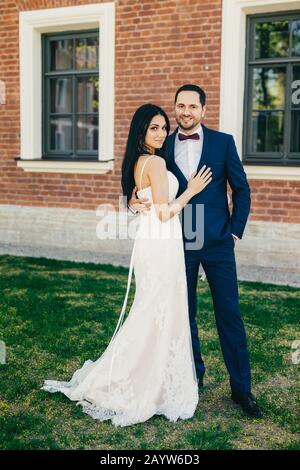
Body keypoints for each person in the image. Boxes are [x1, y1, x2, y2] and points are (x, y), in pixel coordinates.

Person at [41, 103, 212, 427]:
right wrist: (190, 190)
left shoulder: (138, 161)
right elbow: (163, 212)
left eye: (164, 127)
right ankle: (144, 381)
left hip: (153, 241)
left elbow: (140, 202)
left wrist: (135, 205)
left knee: (152, 311)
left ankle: (149, 375)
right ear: (141, 131)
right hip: (161, 243)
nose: (162, 133)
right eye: (154, 128)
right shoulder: (157, 162)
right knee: (157, 311)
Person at [129, 85, 263, 419]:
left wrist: (234, 232)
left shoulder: (223, 142)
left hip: (218, 243)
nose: (185, 111)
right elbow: (146, 189)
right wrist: (132, 203)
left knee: (229, 314)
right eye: (180, 106)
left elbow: (242, 190)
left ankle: (242, 389)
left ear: (203, 109)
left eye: (192, 106)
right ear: (174, 109)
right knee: (182, 314)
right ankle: (192, 377)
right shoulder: (162, 144)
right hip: (177, 243)